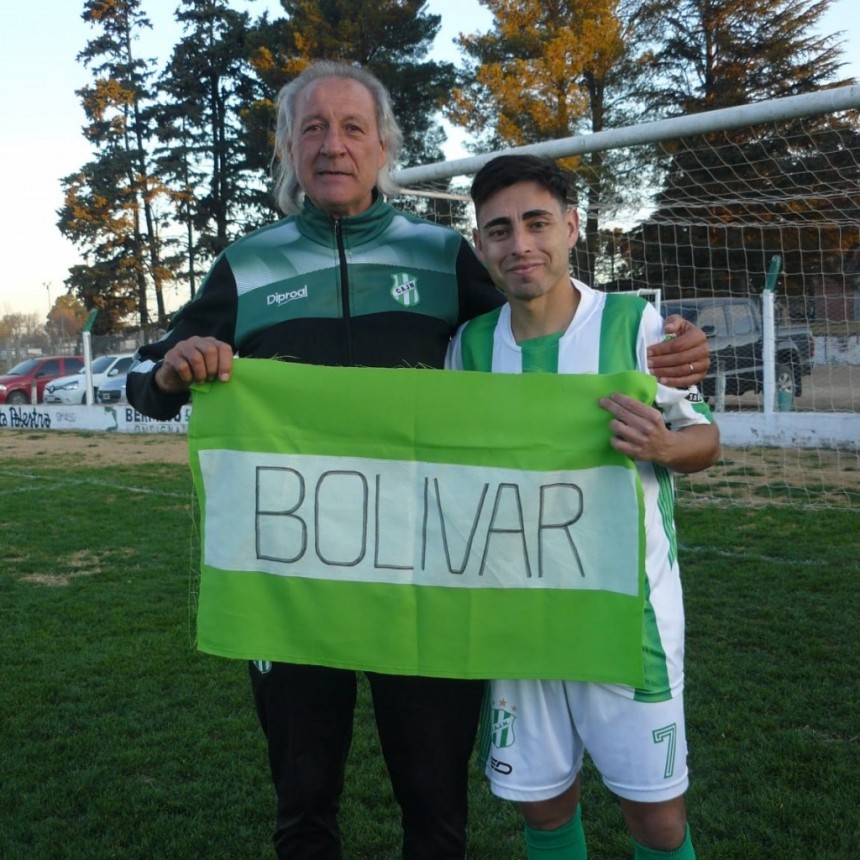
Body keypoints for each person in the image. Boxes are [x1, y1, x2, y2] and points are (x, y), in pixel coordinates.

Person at [127, 62, 710, 859]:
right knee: (303, 799)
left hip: (431, 573)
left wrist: (665, 350)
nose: (334, 146)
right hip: (293, 572)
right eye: (313, 129)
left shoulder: (441, 255)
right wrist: (168, 370)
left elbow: (538, 311)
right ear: (290, 150)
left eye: (353, 128)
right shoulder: (247, 264)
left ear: (384, 146)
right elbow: (151, 383)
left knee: (435, 802)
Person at [446, 154, 720, 860]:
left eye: (538, 223)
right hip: (517, 619)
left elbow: (705, 437)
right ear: (481, 246)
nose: (520, 244)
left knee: (656, 822)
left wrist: (663, 447)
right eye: (500, 230)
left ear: (571, 228)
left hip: (627, 621)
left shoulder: (634, 324)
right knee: (542, 812)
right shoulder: (469, 347)